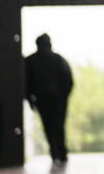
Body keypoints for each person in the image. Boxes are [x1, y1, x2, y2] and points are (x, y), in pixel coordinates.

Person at [25, 34, 73, 167]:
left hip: (42, 100)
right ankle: (62, 154)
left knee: (48, 127)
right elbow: (68, 79)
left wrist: (31, 100)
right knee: (59, 126)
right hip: (58, 99)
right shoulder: (58, 59)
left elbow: (26, 84)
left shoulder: (30, 60)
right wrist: (64, 97)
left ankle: (55, 154)